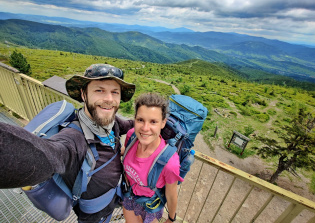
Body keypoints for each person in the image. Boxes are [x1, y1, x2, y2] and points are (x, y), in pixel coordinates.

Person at [0, 63, 136, 223]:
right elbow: (48, 155)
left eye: (115, 92)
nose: (109, 99)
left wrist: (156, 125)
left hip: (112, 200)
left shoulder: (113, 123)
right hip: (94, 217)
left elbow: (131, 125)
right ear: (84, 94)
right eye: (99, 90)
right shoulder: (74, 138)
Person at [122, 93, 183, 223]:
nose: (145, 128)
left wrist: (171, 219)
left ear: (163, 123)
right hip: (129, 196)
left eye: (153, 122)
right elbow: (125, 152)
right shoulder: (131, 136)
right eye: (140, 120)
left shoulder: (169, 163)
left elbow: (171, 195)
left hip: (150, 206)